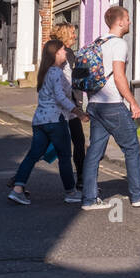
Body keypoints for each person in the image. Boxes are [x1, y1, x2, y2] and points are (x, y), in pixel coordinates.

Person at [80, 6, 140, 210]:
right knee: (131, 147)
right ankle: (138, 194)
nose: (129, 22)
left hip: (94, 104)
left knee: (94, 153)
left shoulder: (98, 42)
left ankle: (89, 199)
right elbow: (119, 76)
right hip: (112, 104)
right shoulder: (119, 44)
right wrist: (132, 102)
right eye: (127, 18)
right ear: (119, 22)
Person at [8, 39, 82, 205]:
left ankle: (17, 189)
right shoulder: (56, 72)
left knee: (33, 155)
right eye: (63, 50)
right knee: (64, 156)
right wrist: (77, 111)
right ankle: (71, 192)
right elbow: (60, 97)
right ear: (56, 53)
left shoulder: (45, 72)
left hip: (39, 121)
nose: (65, 52)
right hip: (55, 120)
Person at [51, 23, 86, 190]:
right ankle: (78, 181)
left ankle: (81, 178)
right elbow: (71, 81)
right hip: (64, 108)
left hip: (65, 107)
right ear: (65, 34)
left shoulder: (56, 51)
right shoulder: (64, 53)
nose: (75, 36)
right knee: (70, 145)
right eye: (72, 33)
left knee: (77, 142)